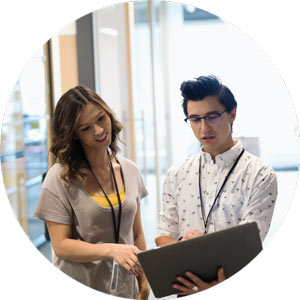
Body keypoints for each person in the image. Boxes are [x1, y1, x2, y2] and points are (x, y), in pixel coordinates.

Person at [155, 75, 277, 296]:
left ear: (232, 114)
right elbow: (164, 235)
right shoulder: (176, 174)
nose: (204, 128)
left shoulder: (260, 174)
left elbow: (251, 245)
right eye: (194, 119)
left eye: (212, 116)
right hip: (187, 290)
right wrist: (182, 242)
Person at [34, 86, 149, 299]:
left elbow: (137, 234)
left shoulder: (130, 170)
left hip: (124, 288)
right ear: (74, 135)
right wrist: (111, 250)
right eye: (85, 128)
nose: (98, 131)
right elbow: (61, 246)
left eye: (101, 119)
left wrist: (143, 280)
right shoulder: (60, 177)